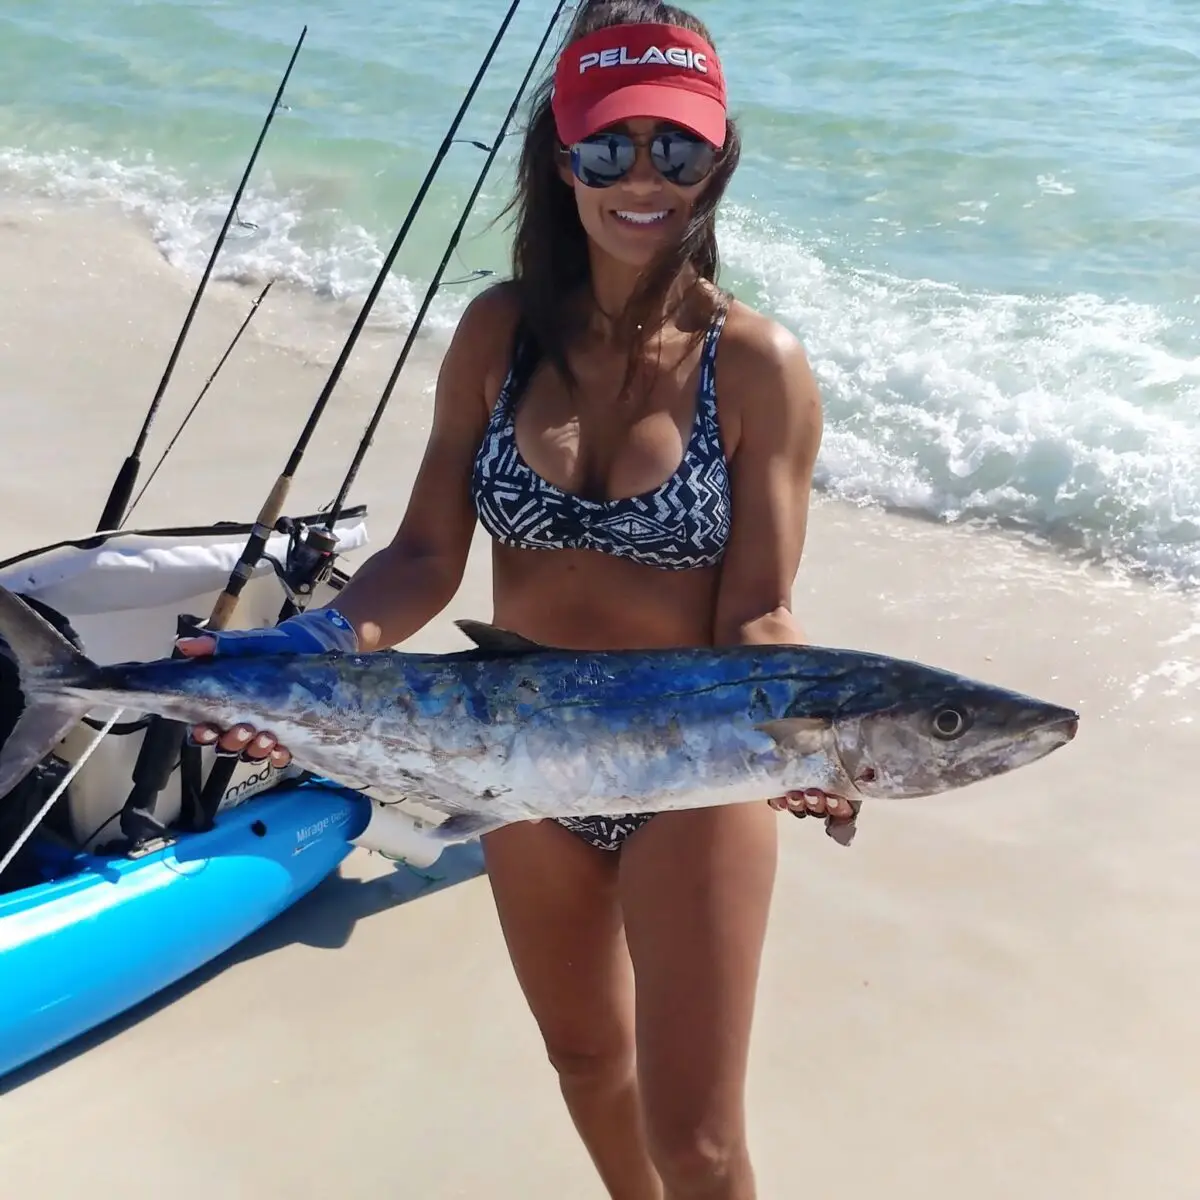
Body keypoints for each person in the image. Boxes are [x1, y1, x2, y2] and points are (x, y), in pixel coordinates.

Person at [179, 3, 856, 1196]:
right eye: (608, 146)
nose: (642, 179)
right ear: (561, 157)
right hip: (513, 765)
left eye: (676, 147)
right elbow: (425, 556)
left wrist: (815, 735)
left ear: (718, 157)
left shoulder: (758, 366)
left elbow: (757, 613)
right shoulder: (498, 334)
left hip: (688, 782)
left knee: (698, 1143)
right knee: (585, 1058)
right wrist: (308, 649)